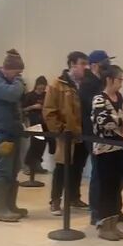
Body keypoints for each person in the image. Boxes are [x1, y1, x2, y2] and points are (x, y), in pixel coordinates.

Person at [91, 64, 123, 240]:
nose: (121, 83)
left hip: (121, 149)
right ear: (109, 79)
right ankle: (103, 226)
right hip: (104, 151)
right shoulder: (99, 99)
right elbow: (103, 121)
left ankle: (113, 224)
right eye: (119, 80)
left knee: (117, 187)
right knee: (105, 188)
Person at [44, 51, 90, 215]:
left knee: (78, 167)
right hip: (67, 133)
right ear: (72, 64)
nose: (86, 67)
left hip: (83, 133)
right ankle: (55, 200)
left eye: (86, 64)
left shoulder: (86, 84)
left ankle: (73, 197)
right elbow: (49, 111)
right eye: (82, 64)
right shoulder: (57, 85)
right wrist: (60, 130)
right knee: (62, 168)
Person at [0, 49, 28, 222]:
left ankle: (10, 205)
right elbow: (12, 94)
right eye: (16, 73)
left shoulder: (9, 81)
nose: (18, 77)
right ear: (6, 69)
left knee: (14, 169)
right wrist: (19, 81)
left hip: (13, 132)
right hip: (0, 134)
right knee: (3, 170)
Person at [22, 76, 53, 175]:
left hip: (45, 123)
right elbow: (22, 109)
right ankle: (27, 164)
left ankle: (37, 164)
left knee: (42, 145)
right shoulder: (29, 96)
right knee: (34, 145)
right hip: (34, 123)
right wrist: (33, 107)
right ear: (36, 85)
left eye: (43, 88)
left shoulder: (46, 95)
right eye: (40, 87)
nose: (41, 90)